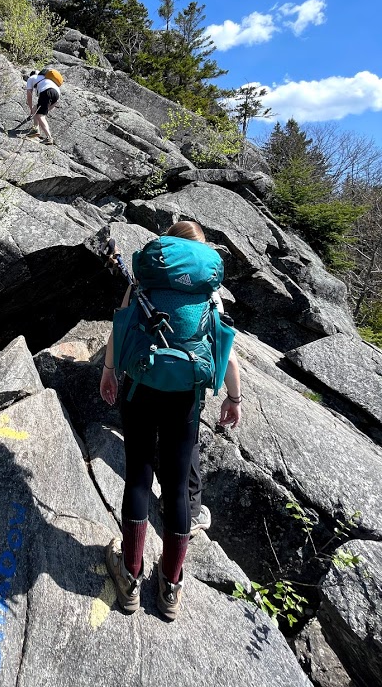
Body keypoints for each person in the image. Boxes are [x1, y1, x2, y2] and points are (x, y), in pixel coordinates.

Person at [100, 220, 242, 619]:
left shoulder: (145, 276)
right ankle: (170, 586)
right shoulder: (208, 288)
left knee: (139, 477)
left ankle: (129, 577)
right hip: (186, 397)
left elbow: (120, 329)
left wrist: (109, 371)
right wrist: (233, 397)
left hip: (140, 388)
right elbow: (226, 349)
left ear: (168, 245)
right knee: (178, 488)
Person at [26, 72, 60, 145]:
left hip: (47, 91)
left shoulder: (31, 78)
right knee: (36, 109)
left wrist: (31, 110)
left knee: (40, 115)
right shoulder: (46, 78)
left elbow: (29, 97)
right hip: (57, 94)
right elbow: (55, 102)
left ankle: (49, 138)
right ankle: (35, 128)